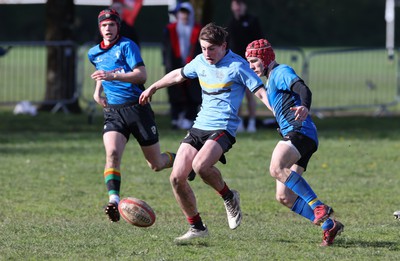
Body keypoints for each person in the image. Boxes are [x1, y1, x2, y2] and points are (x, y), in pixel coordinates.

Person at [139, 23, 270, 243]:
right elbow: (178, 75)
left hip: (223, 127)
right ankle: (197, 227)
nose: (206, 54)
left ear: (223, 46)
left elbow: (260, 92)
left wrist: (279, 113)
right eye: (203, 48)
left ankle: (229, 196)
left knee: (201, 166)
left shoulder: (237, 65)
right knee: (176, 178)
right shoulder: (200, 61)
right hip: (200, 126)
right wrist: (153, 87)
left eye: (211, 49)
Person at [245, 38, 344, 246]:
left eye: (253, 60)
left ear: (265, 57)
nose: (251, 66)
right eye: (248, 62)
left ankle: (318, 206)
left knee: (276, 167)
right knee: (284, 196)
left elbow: (303, 89)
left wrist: (305, 106)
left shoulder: (281, 72)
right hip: (299, 135)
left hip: (300, 131)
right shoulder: (270, 79)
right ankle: (329, 226)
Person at [88, 8, 176, 223]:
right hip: (113, 113)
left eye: (112, 25)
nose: (108, 29)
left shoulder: (127, 46)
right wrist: (98, 90)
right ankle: (114, 200)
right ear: (99, 28)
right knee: (112, 154)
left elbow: (141, 76)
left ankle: (183, 159)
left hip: (137, 108)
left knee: (156, 164)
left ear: (118, 26)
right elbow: (102, 69)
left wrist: (112, 76)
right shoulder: (93, 52)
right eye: (104, 25)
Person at [162, 2, 202, 130]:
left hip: (192, 65)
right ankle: (176, 118)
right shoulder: (170, 29)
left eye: (186, 13)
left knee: (193, 93)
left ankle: (190, 118)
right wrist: (167, 64)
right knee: (175, 92)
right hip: (175, 65)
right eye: (182, 12)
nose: (184, 15)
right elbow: (166, 49)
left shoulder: (198, 29)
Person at [227, 0, 263, 133]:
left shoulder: (253, 21)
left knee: (250, 93)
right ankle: (240, 122)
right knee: (237, 93)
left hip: (249, 63)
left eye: (239, 4)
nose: (237, 7)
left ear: (244, 6)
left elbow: (259, 41)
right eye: (235, 4)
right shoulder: (230, 23)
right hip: (235, 64)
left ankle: (252, 122)